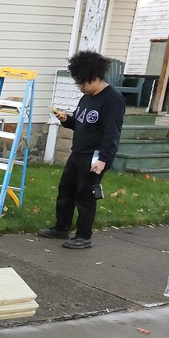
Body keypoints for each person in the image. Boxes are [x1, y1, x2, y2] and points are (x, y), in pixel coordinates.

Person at [40, 50, 126, 250]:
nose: (80, 88)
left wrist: (103, 159)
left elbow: (112, 133)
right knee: (65, 191)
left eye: (83, 83)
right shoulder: (86, 98)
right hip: (77, 153)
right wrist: (66, 120)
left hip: (95, 157)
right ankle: (61, 227)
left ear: (95, 76)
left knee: (85, 196)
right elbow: (80, 124)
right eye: (77, 83)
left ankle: (83, 236)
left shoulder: (113, 99)